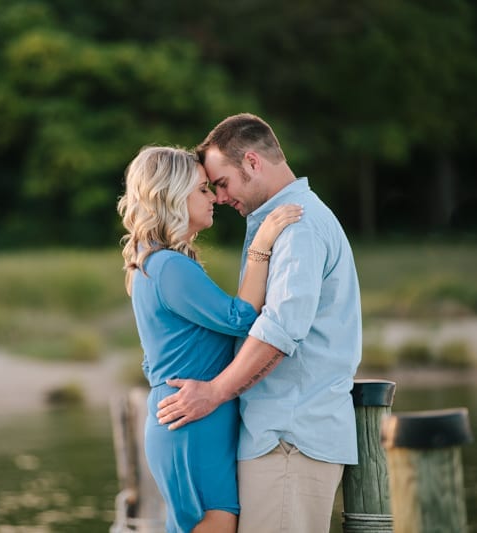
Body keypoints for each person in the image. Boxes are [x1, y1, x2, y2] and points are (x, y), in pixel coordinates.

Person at [155, 113, 362, 533]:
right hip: (279, 438)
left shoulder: (298, 226)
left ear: (252, 162)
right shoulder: (281, 223)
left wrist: (213, 393)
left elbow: (279, 332)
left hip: (290, 437)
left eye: (223, 183)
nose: (220, 196)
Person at [117, 145, 302, 533]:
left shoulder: (154, 261)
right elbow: (240, 318)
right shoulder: (167, 266)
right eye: (203, 189)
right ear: (172, 194)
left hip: (192, 419)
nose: (215, 197)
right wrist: (261, 245)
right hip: (192, 423)